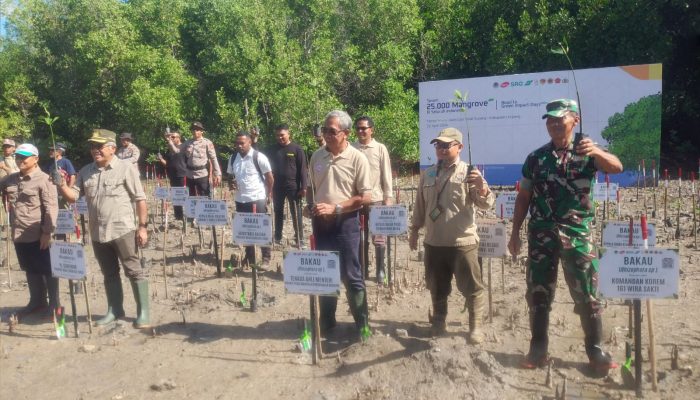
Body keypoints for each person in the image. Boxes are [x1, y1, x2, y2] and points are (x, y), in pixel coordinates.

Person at [507, 99, 623, 371]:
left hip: (578, 235)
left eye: (560, 119)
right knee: (538, 292)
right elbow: (524, 196)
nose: (554, 124)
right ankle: (537, 350)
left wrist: (596, 151)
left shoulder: (588, 152)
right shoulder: (536, 158)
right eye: (550, 120)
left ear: (575, 120)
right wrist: (514, 232)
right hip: (541, 237)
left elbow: (616, 167)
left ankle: (596, 352)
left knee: (587, 292)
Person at [57, 129, 151, 328]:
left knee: (134, 270)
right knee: (109, 273)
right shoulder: (85, 171)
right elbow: (73, 197)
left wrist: (142, 227)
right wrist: (61, 185)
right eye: (92, 146)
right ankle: (115, 310)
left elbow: (140, 199)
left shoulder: (126, 168)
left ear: (112, 148)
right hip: (98, 232)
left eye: (99, 146)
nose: (95, 150)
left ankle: (143, 312)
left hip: (123, 229)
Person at [408, 128, 494, 343]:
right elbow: (420, 205)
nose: (442, 149)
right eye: (438, 145)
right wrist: (414, 230)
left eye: (447, 145)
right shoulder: (427, 174)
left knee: (472, 288)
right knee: (437, 286)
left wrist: (481, 188)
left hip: (462, 242)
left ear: (459, 147)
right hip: (434, 242)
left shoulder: (470, 173)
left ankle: (475, 328)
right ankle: (439, 322)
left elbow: (485, 203)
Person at [306, 110, 371, 337]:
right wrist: (310, 205)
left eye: (331, 131)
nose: (327, 135)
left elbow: (365, 197)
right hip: (321, 225)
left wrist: (336, 208)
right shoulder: (316, 157)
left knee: (351, 274)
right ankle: (327, 322)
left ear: (346, 133)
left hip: (347, 224)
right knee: (325, 274)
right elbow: (311, 188)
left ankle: (362, 325)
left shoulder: (357, 158)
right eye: (324, 130)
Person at [0, 143, 59, 318]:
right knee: (30, 268)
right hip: (19, 233)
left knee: (47, 269)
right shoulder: (11, 179)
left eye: (24, 157)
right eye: (18, 157)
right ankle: (37, 302)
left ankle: (54, 305)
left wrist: (47, 232)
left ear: (36, 159)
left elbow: (51, 208)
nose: (20, 160)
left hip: (38, 234)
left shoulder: (44, 179)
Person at [352, 116, 393, 283]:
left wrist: (388, 197)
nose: (361, 131)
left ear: (371, 130)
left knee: (379, 238)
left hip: (376, 199)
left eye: (364, 128)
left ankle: (380, 270)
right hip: (357, 200)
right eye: (358, 128)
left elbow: (386, 174)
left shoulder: (380, 148)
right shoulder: (352, 148)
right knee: (359, 236)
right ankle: (362, 269)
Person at [227, 131, 274, 269]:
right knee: (245, 228)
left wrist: (268, 195)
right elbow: (230, 176)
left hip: (257, 198)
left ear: (250, 142)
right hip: (240, 199)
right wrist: (231, 184)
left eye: (242, 143)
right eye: (237, 143)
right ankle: (250, 256)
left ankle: (265, 257)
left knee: (261, 228)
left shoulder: (259, 157)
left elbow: (270, 178)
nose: (239, 146)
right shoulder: (233, 157)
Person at [267, 124, 307, 248]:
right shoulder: (272, 150)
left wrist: (304, 187)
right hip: (277, 186)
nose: (280, 137)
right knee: (278, 212)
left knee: (296, 213)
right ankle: (278, 237)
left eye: (282, 135)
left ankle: (300, 238)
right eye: (277, 135)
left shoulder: (297, 149)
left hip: (293, 187)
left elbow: (303, 170)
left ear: (288, 134)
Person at [168, 121, 221, 197]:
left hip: (202, 174)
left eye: (197, 129)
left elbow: (213, 158)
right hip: (190, 175)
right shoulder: (187, 143)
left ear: (202, 131)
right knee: (191, 200)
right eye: (193, 129)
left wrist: (217, 173)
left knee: (204, 198)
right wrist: (170, 142)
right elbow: (177, 152)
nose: (195, 131)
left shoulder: (207, 143)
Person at [158, 130, 187, 221]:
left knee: (184, 195)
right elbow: (167, 163)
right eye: (171, 137)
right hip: (172, 175)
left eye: (173, 137)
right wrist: (160, 159)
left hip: (182, 175)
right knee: (175, 196)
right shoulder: (169, 150)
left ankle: (188, 215)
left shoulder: (184, 147)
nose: (171, 138)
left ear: (179, 138)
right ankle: (178, 216)